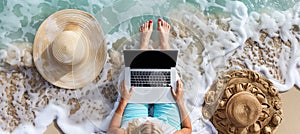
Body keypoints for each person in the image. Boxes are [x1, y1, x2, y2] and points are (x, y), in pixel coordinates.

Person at [108, 18, 192, 134]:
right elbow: (188, 129)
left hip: (134, 124)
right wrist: (179, 101)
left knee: (134, 82)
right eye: (152, 124)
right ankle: (164, 45)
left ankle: (143, 45)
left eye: (147, 123)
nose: (150, 121)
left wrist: (124, 100)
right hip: (166, 124)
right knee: (169, 80)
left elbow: (112, 130)